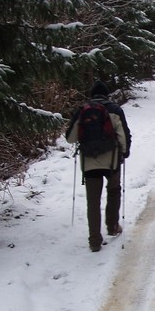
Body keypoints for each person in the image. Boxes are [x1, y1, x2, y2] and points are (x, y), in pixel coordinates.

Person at [65, 80, 131, 252]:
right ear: (107, 94)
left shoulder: (83, 110)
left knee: (93, 200)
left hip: (89, 161)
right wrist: (124, 152)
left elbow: (70, 138)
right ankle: (112, 225)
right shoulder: (115, 110)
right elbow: (123, 135)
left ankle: (94, 241)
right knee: (114, 190)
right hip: (111, 160)